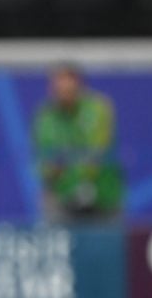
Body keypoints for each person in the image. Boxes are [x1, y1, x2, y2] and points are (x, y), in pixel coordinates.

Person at [33, 64, 123, 222]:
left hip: (102, 196)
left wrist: (72, 168)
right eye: (59, 88)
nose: (64, 93)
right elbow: (45, 162)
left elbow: (97, 153)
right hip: (63, 198)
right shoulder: (46, 117)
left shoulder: (98, 108)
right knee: (47, 203)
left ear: (80, 85)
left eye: (69, 88)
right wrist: (54, 169)